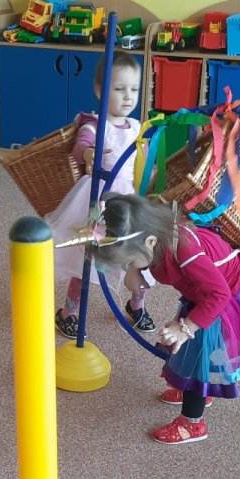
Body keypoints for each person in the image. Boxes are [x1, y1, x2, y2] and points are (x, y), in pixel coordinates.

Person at [92, 193, 240, 445]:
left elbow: (219, 295)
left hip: (226, 294)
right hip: (202, 294)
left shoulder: (185, 250)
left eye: (128, 260)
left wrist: (186, 328)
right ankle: (196, 391)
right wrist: (134, 270)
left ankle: (193, 423)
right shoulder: (154, 238)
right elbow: (143, 257)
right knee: (187, 349)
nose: (127, 265)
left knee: (199, 357)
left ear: (150, 242)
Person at [45, 54, 154, 338]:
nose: (128, 96)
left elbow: (143, 163)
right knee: (87, 260)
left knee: (139, 256)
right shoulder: (95, 124)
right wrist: (89, 153)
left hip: (129, 202)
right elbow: (80, 148)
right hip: (99, 202)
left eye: (133, 89)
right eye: (119, 88)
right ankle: (69, 312)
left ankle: (137, 304)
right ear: (99, 90)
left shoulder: (137, 128)